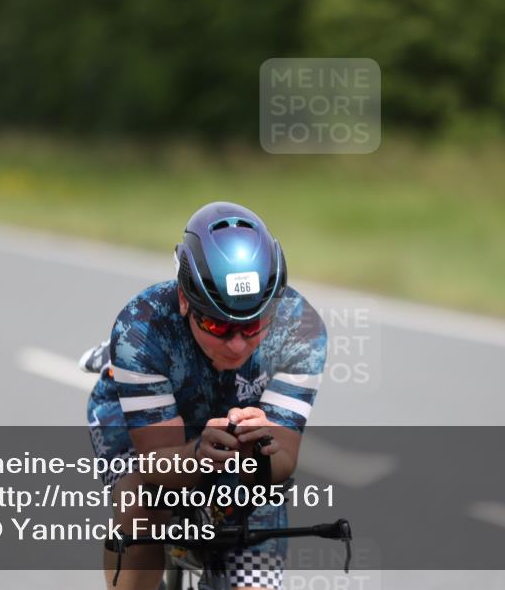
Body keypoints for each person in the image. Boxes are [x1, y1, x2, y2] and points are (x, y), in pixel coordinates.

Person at [85, 201, 327, 590]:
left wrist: (263, 451)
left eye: (254, 326)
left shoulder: (300, 329)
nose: (235, 346)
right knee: (143, 507)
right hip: (149, 435)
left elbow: (284, 459)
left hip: (233, 428)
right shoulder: (141, 328)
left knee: (255, 520)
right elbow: (155, 467)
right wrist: (197, 456)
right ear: (185, 299)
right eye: (217, 324)